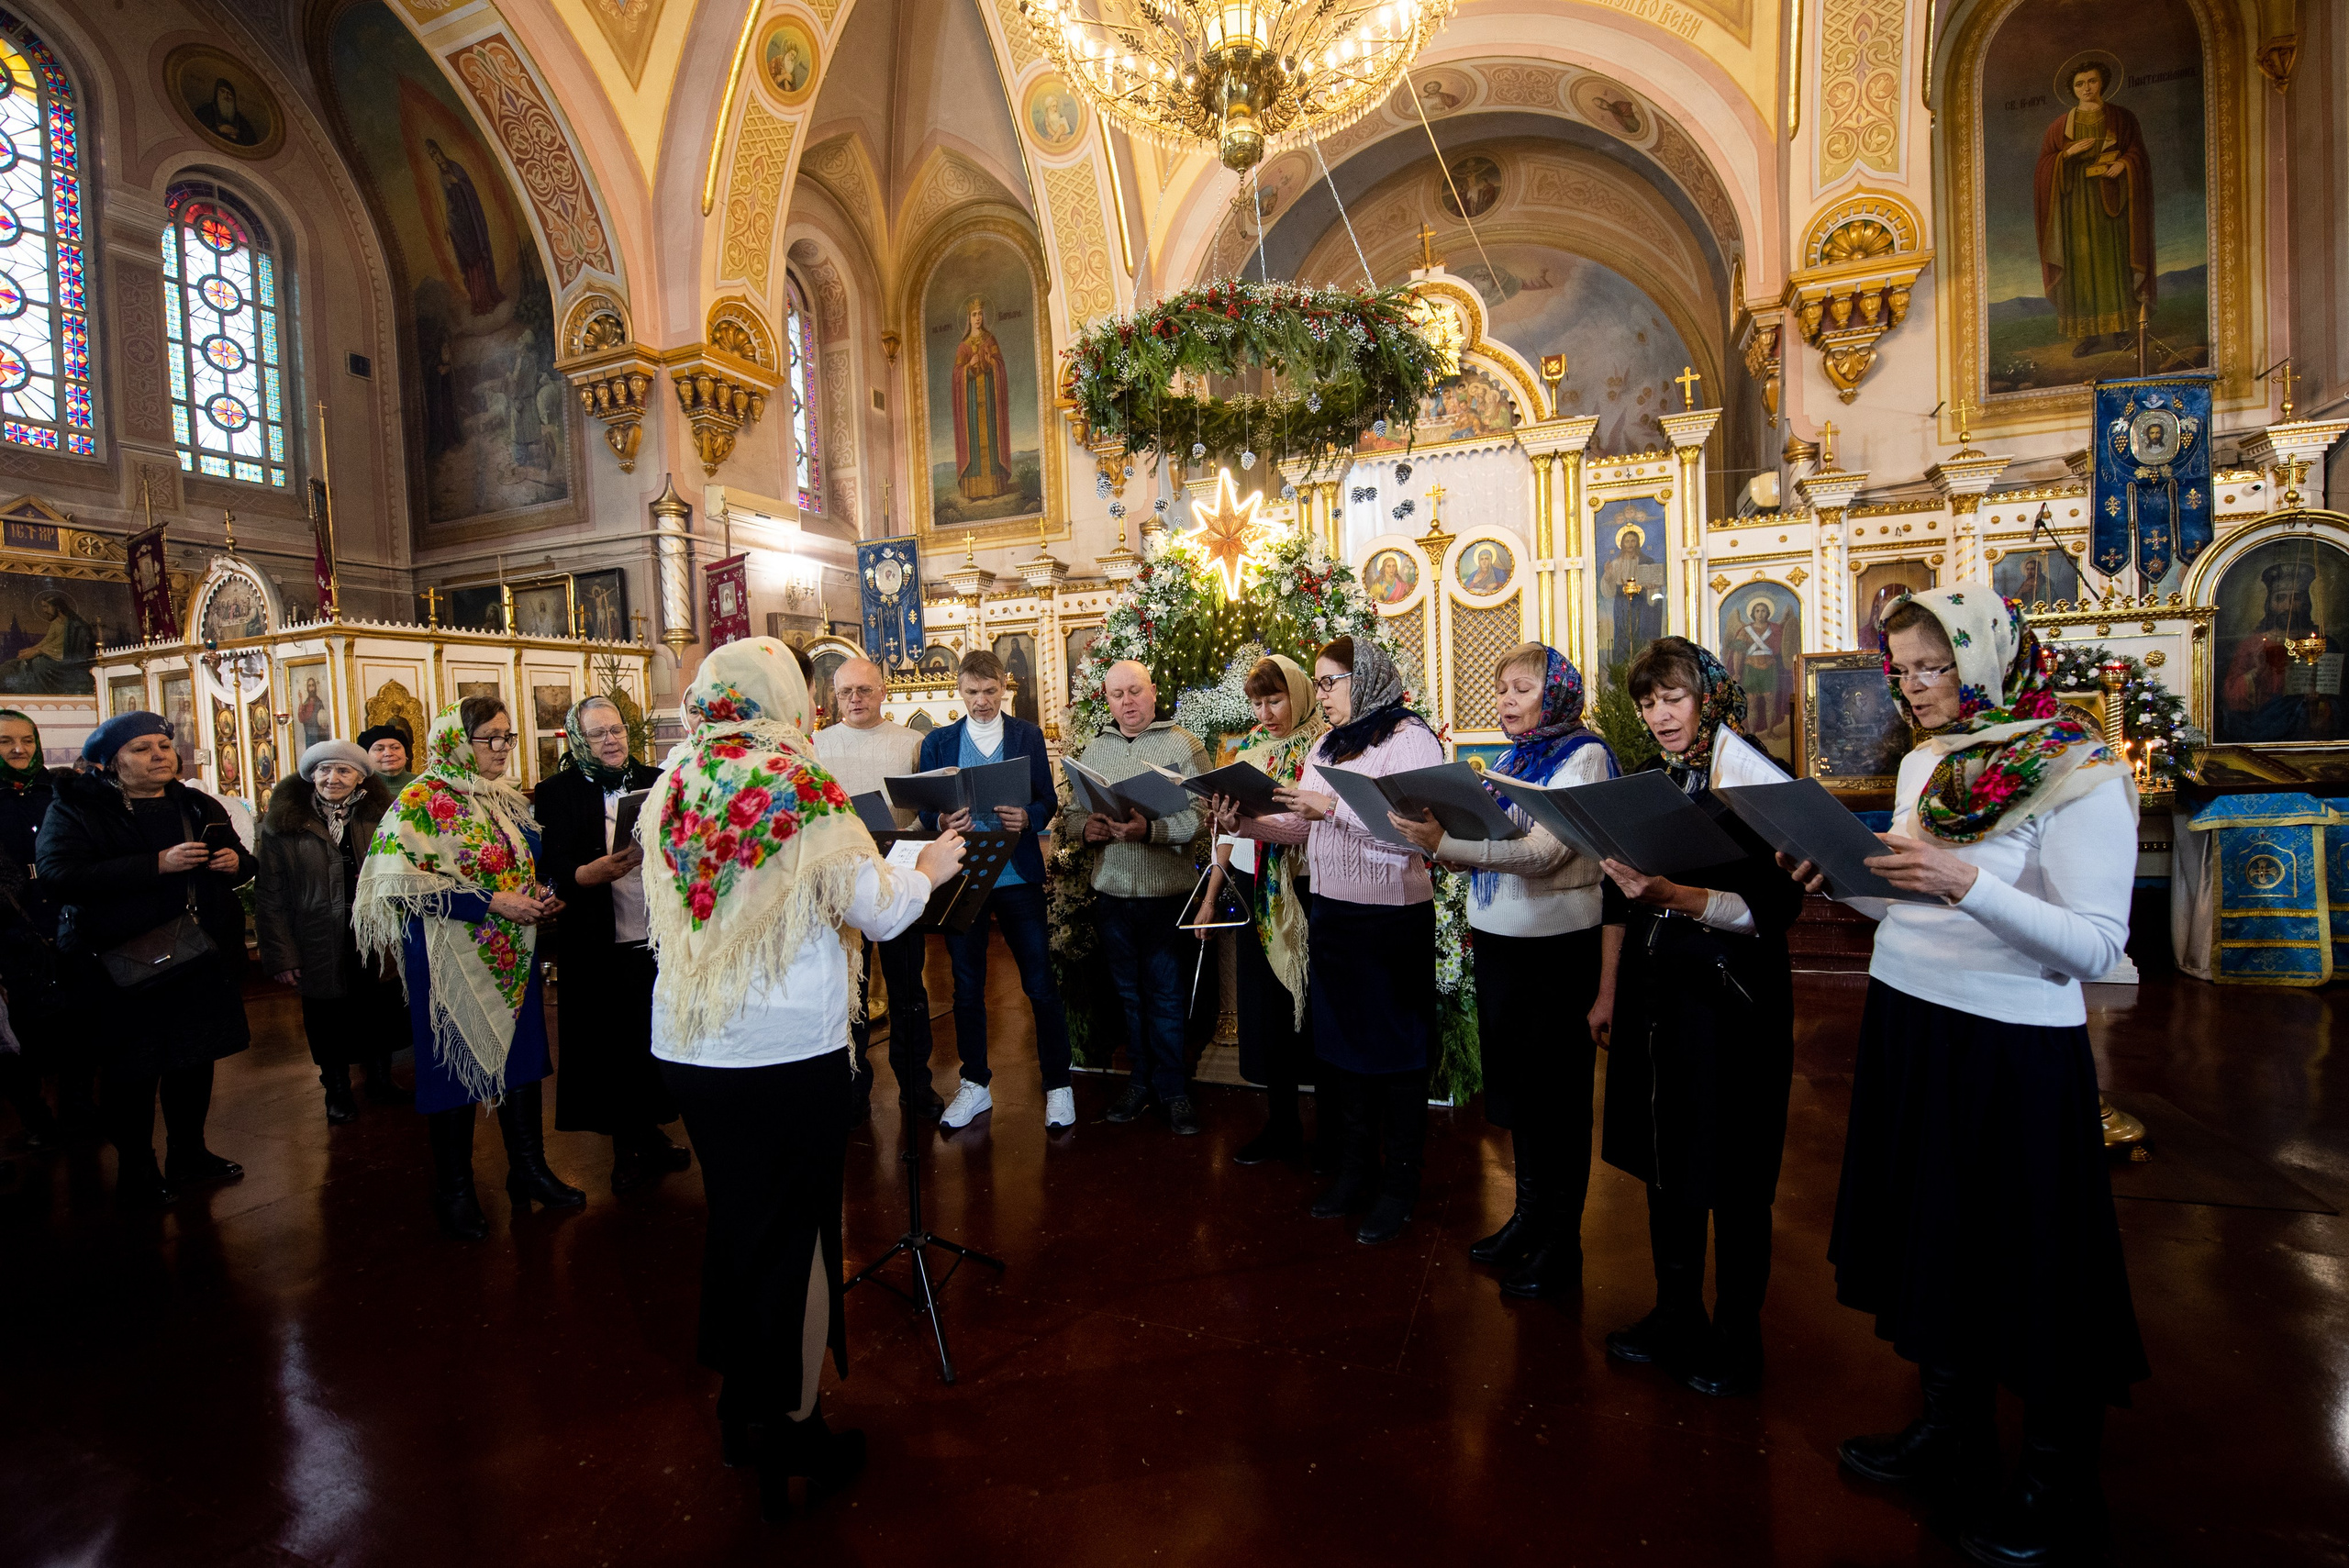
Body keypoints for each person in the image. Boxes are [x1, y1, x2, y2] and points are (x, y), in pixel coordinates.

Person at [1786, 589, 2145, 1566]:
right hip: (1911, 1021)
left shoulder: (2074, 764)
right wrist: (1844, 874)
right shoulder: (1924, 761)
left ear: (1990, 657)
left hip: (2012, 1045)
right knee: (1932, 1238)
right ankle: (1951, 1427)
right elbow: (1911, 911)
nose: (1913, 687)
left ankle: (2054, 1482)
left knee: (2031, 1261)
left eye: (1932, 666)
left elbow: (2097, 947)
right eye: (1900, 669)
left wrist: (1967, 882)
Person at [641, 639, 965, 1520]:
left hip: (690, 1042)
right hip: (782, 1052)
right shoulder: (795, 779)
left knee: (740, 1223)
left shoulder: (676, 776)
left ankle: (740, 1405)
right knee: (801, 1236)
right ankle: (796, 1428)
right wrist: (926, 867)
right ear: (785, 696)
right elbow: (873, 906)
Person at [1595, 638, 1803, 1396]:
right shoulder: (1660, 781)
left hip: (1734, 1005)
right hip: (1663, 996)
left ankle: (1737, 1337)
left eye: (1672, 698)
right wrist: (1614, 978)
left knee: (1737, 1172)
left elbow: (1776, 907)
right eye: (1648, 703)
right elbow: (1628, 896)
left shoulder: (1754, 779)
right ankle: (1676, 1309)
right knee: (1665, 1159)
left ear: (1709, 693)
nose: (1659, 715)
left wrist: (1673, 896)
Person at [1387, 643, 1619, 1296]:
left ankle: (1561, 1247)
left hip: (1555, 952)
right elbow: (1494, 845)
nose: (1509, 700)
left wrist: (1448, 844)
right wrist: (1444, 836)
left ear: (1559, 694)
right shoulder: (1516, 758)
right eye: (1503, 688)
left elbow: (1545, 853)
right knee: (1519, 1096)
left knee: (1558, 1105)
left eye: (1523, 688)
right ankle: (1526, 1218)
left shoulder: (1585, 756)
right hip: (1501, 946)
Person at [1230, 638, 1442, 1244]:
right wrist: (1241, 820)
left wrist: (1331, 807)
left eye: (1330, 683)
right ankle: (1353, 1173)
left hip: (1391, 920)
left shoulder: (1409, 739)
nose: (1321, 695)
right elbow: (1299, 823)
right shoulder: (1328, 742)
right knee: (1343, 1054)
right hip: (1334, 913)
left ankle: (1399, 1187)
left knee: (1397, 1058)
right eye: (1319, 684)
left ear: (1367, 676)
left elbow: (1416, 836)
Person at [355, 697, 579, 1241]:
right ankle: (453, 1189)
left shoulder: (503, 800)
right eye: (491, 739)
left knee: (522, 1062)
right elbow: (401, 883)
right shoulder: (420, 800)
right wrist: (492, 903)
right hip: (449, 955)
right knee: (453, 1070)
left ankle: (527, 1170)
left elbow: (533, 863)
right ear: (458, 741)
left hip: (511, 953)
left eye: (508, 737)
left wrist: (544, 892)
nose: (502, 749)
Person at [40, 713, 254, 1209]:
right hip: (121, 964)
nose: (159, 754)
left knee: (193, 1060)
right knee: (132, 1071)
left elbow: (244, 860)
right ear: (111, 761)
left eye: (163, 745)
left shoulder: (194, 802)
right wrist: (154, 865)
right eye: (141, 748)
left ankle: (189, 1153)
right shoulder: (79, 806)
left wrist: (236, 864)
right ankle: (137, 1166)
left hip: (196, 956)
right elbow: (57, 874)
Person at [537, 696, 688, 1193]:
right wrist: (585, 874)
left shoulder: (656, 777)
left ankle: (653, 1131)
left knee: (655, 1034)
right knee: (611, 1041)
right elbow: (550, 864)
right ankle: (625, 1146)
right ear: (580, 741)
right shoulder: (556, 792)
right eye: (599, 733)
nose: (612, 740)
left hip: (657, 930)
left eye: (617, 730)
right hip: (597, 934)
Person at [920, 648, 1073, 1130]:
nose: (982, 702)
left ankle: (1058, 1084)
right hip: (963, 876)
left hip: (1017, 877)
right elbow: (926, 810)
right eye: (971, 692)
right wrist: (941, 819)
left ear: (1004, 688)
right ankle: (975, 1085)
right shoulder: (940, 742)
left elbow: (1047, 800)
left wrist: (1029, 817)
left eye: (990, 692)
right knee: (965, 988)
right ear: (959, 691)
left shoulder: (1026, 734)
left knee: (1039, 983)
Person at [1056, 660, 1208, 1134]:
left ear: (1154, 692)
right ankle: (1139, 1083)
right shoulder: (1095, 749)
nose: (1127, 702)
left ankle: (1174, 1089)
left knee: (1165, 997)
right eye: (1117, 694)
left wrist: (1154, 829)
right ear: (1107, 699)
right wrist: (1089, 828)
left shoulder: (1183, 744)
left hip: (1167, 894)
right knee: (1128, 997)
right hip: (1113, 895)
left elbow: (1207, 817)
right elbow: (1068, 816)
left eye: (1136, 691)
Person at [1203, 655, 1327, 1166]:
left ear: (1298, 692)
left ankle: (1331, 1133)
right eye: (1257, 702)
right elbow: (1233, 833)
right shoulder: (1251, 748)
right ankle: (1280, 1124)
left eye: (1275, 699)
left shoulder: (1322, 743)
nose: (1267, 712)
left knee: (1316, 1014)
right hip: (1263, 890)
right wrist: (1210, 896)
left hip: (1315, 888)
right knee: (1272, 1014)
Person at [812, 656, 941, 1120]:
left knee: (909, 990)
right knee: (851, 991)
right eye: (845, 692)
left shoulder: (912, 743)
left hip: (898, 877)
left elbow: (927, 811)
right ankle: (852, 1088)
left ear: (883, 691)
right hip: (841, 885)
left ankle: (916, 1084)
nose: (854, 699)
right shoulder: (816, 745)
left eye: (864, 690)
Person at [254, 740, 407, 1126]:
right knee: (327, 1016)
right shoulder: (285, 823)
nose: (332, 778)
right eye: (323, 770)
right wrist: (282, 955)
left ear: (360, 777)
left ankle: (379, 1080)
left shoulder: (383, 816)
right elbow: (270, 893)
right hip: (316, 935)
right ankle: (336, 1091)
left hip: (375, 933)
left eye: (342, 771)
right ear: (311, 776)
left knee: (378, 1007)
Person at [0, 708, 72, 1152]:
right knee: (20, 1029)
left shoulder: (58, 789)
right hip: (11, 924)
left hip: (67, 914)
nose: (18, 749)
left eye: (27, 740)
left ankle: (79, 1110)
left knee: (76, 1019)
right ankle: (35, 1118)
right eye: (6, 741)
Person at [359, 723, 416, 792]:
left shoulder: (425, 783)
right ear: (366, 756)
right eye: (379, 749)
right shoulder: (358, 788)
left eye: (395, 748)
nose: (388, 753)